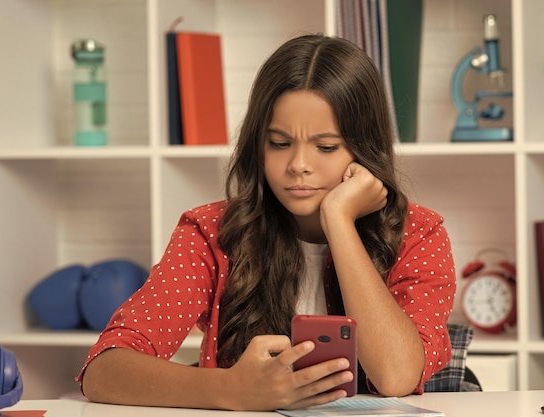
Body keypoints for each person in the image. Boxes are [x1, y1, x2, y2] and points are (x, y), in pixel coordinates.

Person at [78, 33, 456, 411]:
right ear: (257, 145)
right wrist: (231, 389)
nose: (298, 165)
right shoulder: (210, 232)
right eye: (279, 143)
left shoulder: (418, 234)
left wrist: (339, 221)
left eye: (325, 147)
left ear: (364, 148)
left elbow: (396, 376)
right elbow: (104, 370)